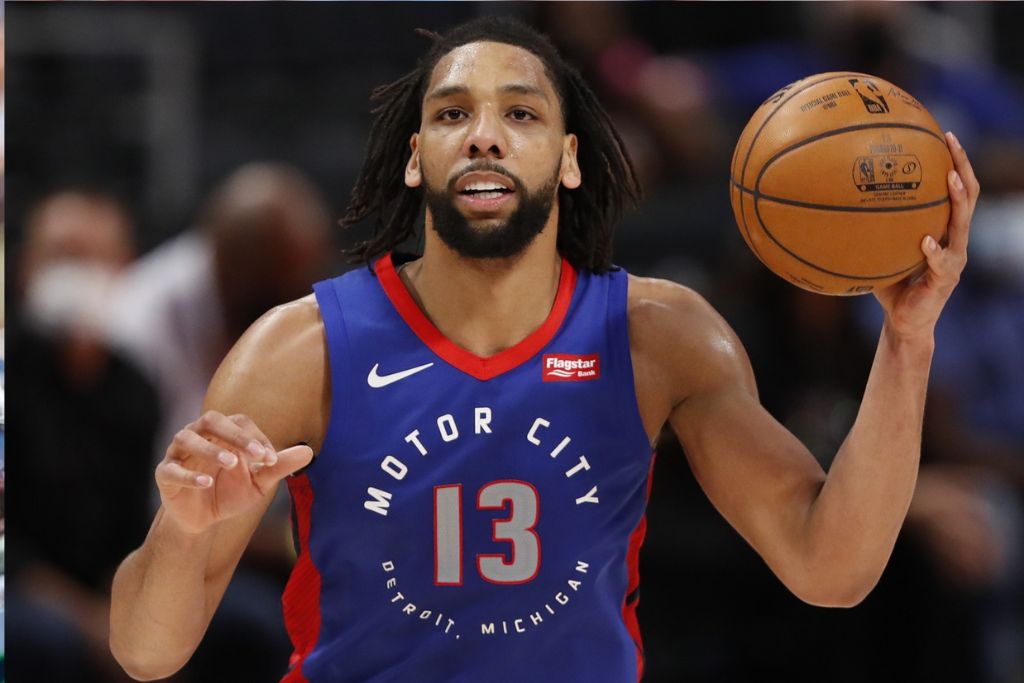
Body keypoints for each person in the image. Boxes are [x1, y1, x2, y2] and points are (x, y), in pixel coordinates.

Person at [109, 16, 979, 682]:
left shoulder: (660, 337)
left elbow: (832, 566)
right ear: (417, 158)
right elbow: (148, 653)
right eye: (453, 113)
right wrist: (186, 534)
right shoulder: (300, 348)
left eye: (519, 112)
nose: (484, 133)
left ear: (568, 160)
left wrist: (908, 338)